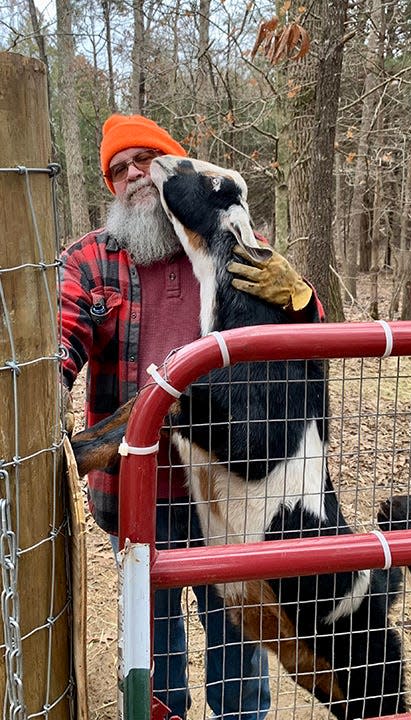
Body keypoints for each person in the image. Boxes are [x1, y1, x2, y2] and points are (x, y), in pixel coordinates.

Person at [59, 113, 321, 720]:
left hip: (230, 493)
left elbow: (306, 341)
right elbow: (59, 341)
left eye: (144, 159)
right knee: (153, 653)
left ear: (175, 168)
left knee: (239, 644)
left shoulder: (230, 244)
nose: (133, 175)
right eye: (118, 169)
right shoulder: (91, 260)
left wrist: (301, 297)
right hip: (139, 495)